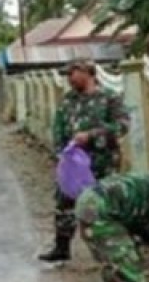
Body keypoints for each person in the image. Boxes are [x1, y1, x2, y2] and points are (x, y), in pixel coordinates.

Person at [39, 59, 129, 269]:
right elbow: (59, 125)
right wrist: (60, 151)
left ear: (88, 72)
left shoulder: (109, 98)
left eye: (73, 73)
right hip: (73, 163)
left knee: (104, 206)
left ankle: (112, 252)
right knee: (64, 203)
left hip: (102, 162)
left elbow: (122, 126)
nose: (69, 79)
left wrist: (92, 135)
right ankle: (61, 248)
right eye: (67, 75)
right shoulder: (69, 100)